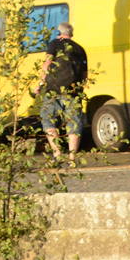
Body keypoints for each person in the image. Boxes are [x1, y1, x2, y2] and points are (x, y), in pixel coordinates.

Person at [39, 22, 88, 164]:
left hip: (53, 90)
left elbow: (47, 63)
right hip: (73, 91)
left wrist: (41, 83)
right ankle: (72, 158)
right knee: (74, 123)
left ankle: (57, 153)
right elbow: (85, 75)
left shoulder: (54, 44)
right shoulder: (80, 49)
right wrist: (79, 90)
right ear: (71, 34)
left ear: (59, 32)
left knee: (48, 119)